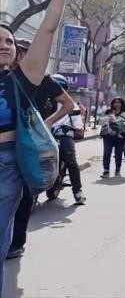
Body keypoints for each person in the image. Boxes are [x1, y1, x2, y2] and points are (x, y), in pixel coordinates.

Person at [0, 0, 82, 284]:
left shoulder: (23, 80)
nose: (6, 45)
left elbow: (47, 30)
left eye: (9, 40)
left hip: (6, 165)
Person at [6, 35, 78, 261]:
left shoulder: (44, 80)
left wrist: (48, 122)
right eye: (19, 50)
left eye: (23, 50)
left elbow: (68, 104)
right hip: (8, 143)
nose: (21, 54)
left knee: (25, 195)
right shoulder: (7, 77)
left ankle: (16, 243)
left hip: (35, 143)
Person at [46, 74, 86, 205]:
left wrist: (75, 129)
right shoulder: (42, 102)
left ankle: (78, 191)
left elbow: (78, 125)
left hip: (63, 136)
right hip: (44, 136)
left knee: (71, 161)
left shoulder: (72, 106)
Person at [99, 97, 125, 177]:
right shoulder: (108, 112)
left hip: (121, 136)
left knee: (118, 153)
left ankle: (117, 169)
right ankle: (106, 171)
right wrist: (108, 119)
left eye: (119, 102)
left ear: (122, 104)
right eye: (115, 102)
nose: (117, 104)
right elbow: (100, 121)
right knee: (107, 153)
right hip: (108, 135)